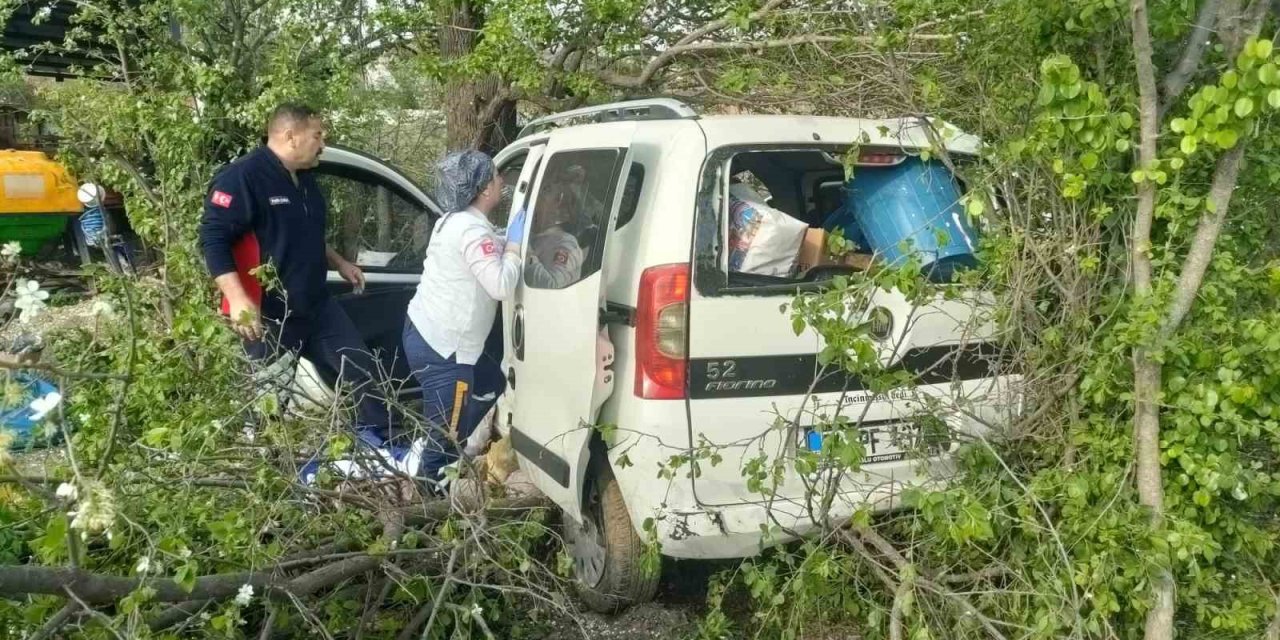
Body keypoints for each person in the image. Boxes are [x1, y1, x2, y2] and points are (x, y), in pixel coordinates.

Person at [198, 103, 392, 477]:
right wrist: (238, 299)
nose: (323, 143)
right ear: (291, 136)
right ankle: (266, 474)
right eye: (318, 135)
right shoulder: (243, 178)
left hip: (316, 305)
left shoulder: (304, 180)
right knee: (269, 401)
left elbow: (306, 235)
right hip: (271, 313)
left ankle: (385, 446)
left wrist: (340, 262)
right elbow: (213, 239)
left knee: (360, 369)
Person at [402, 149, 526, 490]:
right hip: (446, 352)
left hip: (426, 333)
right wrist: (514, 248)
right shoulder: (472, 231)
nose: (502, 181)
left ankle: (450, 447)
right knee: (445, 436)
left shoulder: (454, 220)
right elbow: (500, 284)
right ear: (485, 189)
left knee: (489, 383)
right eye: (497, 176)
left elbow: (483, 249)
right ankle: (426, 504)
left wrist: (506, 241)